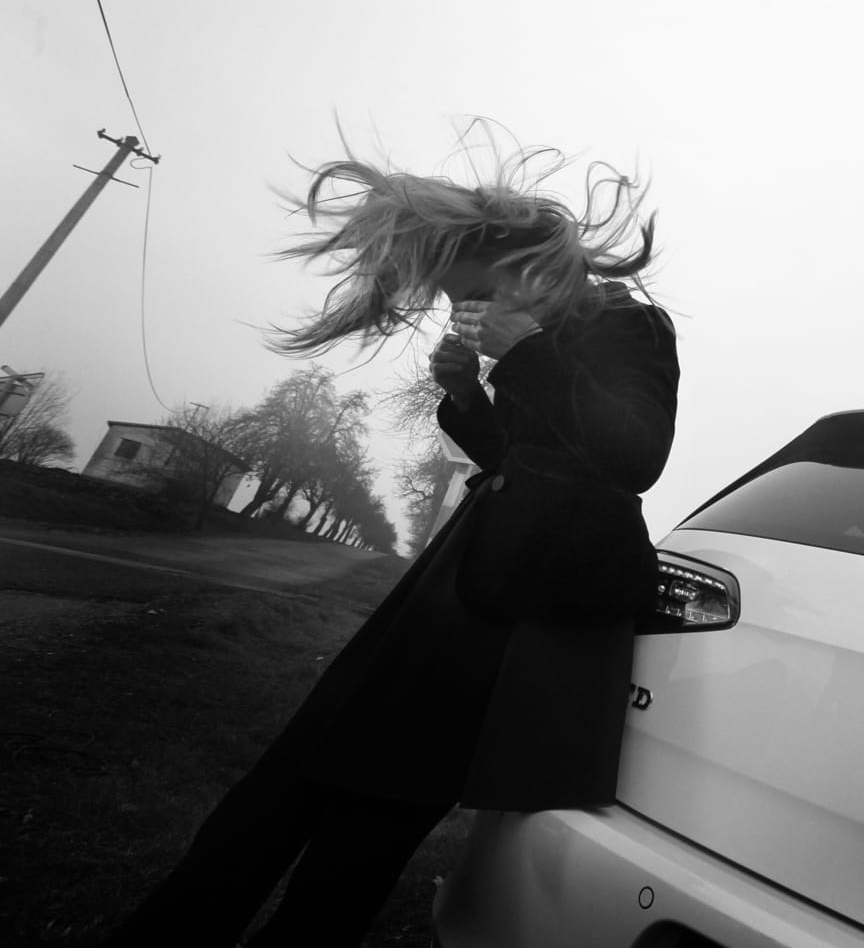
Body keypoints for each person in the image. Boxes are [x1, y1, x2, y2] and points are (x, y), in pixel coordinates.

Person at [101, 139, 679, 947]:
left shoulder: (629, 325)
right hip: (442, 596)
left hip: (498, 628)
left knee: (368, 833)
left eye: (472, 294)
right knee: (285, 783)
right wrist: (466, 396)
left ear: (529, 266)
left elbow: (636, 456)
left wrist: (523, 351)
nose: (462, 311)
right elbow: (524, 464)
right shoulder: (540, 339)